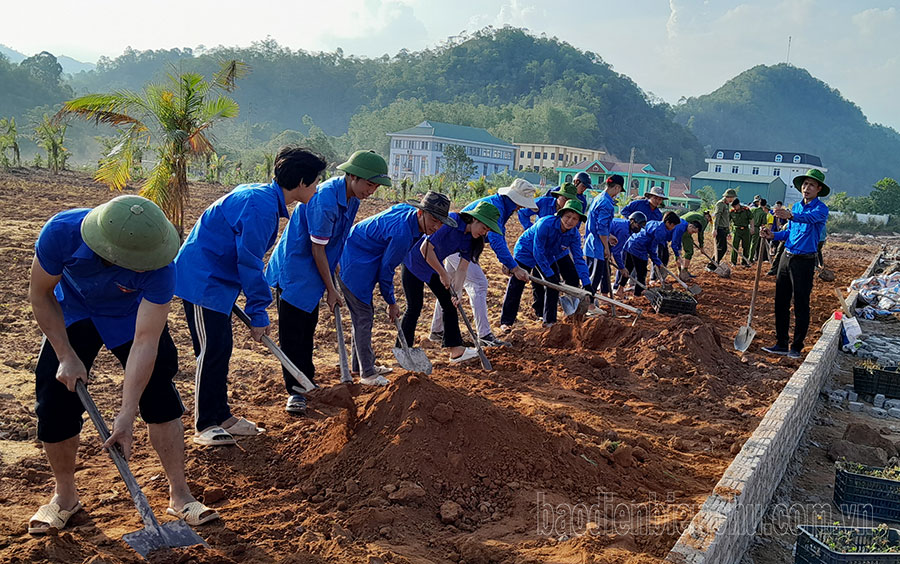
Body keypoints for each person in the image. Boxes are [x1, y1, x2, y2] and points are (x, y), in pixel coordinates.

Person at [27, 195, 219, 534]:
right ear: (111, 255)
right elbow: (40, 294)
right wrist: (65, 355)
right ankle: (65, 497)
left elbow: (146, 340)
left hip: (130, 317)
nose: (151, 265)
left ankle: (180, 494)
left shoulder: (161, 267)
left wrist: (126, 413)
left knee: (159, 393)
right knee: (54, 400)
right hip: (74, 312)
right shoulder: (61, 232)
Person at [176, 146, 327, 445]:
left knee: (222, 347)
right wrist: (258, 310)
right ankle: (205, 423)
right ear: (300, 182)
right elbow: (249, 262)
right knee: (211, 349)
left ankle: (223, 416)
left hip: (219, 281)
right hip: (202, 281)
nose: (317, 187)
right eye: (314, 181)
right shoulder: (259, 207)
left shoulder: (264, 200)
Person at [266, 150, 389, 415]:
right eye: (369, 184)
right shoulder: (325, 200)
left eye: (376, 186)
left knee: (307, 328)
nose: (372, 190)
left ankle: (306, 381)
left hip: (315, 270)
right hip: (296, 269)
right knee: (293, 333)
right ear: (352, 176)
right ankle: (295, 392)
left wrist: (335, 266)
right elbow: (317, 249)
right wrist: (333, 290)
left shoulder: (352, 198)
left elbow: (336, 239)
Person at [338, 191, 452, 384]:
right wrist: (391, 302)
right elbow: (386, 270)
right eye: (434, 220)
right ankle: (367, 374)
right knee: (363, 316)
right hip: (355, 262)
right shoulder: (402, 234)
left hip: (363, 254)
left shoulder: (408, 214)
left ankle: (360, 365)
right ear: (420, 213)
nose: (436, 227)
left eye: (441, 222)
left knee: (363, 316)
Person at [429, 179, 539, 348]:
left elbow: (498, 234)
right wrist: (514, 267)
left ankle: (437, 330)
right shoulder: (495, 207)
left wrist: (508, 263)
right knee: (479, 284)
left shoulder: (500, 205)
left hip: (459, 247)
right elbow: (496, 239)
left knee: (450, 286)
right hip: (458, 245)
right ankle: (485, 335)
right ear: (513, 198)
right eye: (520, 204)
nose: (521, 208)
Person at [400, 201, 502, 363]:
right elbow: (425, 248)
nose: (484, 233)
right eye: (484, 228)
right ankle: (403, 349)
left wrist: (458, 291)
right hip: (414, 262)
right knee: (414, 306)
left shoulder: (472, 241)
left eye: (487, 231)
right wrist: (443, 273)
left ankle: (456, 350)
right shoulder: (452, 221)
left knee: (450, 303)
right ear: (475, 220)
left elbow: (462, 269)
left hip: (433, 266)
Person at [760, 169, 830, 359]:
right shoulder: (796, 207)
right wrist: (772, 235)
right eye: (804, 184)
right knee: (780, 302)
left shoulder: (820, 210)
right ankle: (781, 343)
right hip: (786, 257)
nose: (806, 188)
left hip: (804, 261)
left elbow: (807, 219)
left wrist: (789, 215)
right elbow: (789, 232)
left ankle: (796, 347)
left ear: (818, 189)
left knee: (801, 304)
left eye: (811, 185)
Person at [500, 200, 593, 330]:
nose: (570, 221)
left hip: (548, 255)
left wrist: (587, 283)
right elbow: (537, 251)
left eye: (574, 219)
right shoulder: (545, 224)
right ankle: (506, 322)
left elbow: (578, 259)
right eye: (567, 216)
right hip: (526, 250)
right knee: (517, 284)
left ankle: (549, 321)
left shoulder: (574, 235)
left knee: (553, 285)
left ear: (578, 221)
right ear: (561, 215)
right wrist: (548, 274)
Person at [584, 174, 625, 302]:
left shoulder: (598, 198)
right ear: (617, 188)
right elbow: (601, 228)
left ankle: (587, 302)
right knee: (595, 278)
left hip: (591, 241)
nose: (618, 193)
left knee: (590, 275)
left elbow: (600, 225)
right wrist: (606, 247)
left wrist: (609, 236)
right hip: (597, 245)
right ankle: (588, 304)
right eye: (619, 190)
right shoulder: (606, 204)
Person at [621, 211, 681, 298]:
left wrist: (657, 261)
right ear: (668, 223)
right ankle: (637, 294)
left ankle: (620, 289)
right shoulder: (661, 232)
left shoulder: (655, 222)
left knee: (628, 268)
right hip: (639, 248)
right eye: (673, 225)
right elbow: (652, 249)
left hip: (632, 243)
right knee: (642, 273)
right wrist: (657, 262)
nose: (673, 228)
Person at [621, 185, 668, 272]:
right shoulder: (638, 204)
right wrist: (633, 221)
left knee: (640, 262)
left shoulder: (658, 214)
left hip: (644, 241)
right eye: (655, 198)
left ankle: (633, 282)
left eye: (660, 199)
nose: (657, 201)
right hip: (630, 235)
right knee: (626, 261)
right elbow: (624, 211)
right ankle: (620, 282)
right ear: (650, 196)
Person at [608, 212, 647, 293]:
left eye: (641, 227)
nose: (639, 228)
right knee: (602, 271)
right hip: (596, 246)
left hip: (605, 246)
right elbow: (617, 252)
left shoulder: (628, 228)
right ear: (632, 221)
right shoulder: (623, 230)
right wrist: (622, 268)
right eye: (638, 225)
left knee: (606, 271)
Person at [713, 189, 737, 263]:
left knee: (722, 248)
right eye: (733, 198)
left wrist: (728, 231)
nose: (733, 199)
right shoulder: (720, 204)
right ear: (729, 197)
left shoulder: (727, 205)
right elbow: (717, 217)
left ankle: (715, 263)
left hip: (724, 229)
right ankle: (712, 264)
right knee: (721, 248)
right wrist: (715, 229)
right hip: (720, 229)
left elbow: (726, 220)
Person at [729, 198, 752, 267]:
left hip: (745, 230)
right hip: (736, 230)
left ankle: (744, 262)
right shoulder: (732, 212)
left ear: (738, 204)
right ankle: (733, 262)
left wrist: (752, 228)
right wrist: (728, 231)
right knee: (735, 246)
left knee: (746, 246)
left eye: (735, 206)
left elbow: (751, 219)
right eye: (733, 207)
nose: (734, 208)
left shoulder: (746, 210)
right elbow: (728, 221)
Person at [767, 201, 788, 275]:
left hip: (787, 241)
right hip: (777, 235)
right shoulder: (772, 214)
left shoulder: (786, 221)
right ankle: (774, 269)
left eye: (779, 205)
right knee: (778, 252)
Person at [749, 199, 769, 263]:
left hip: (749, 227)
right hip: (756, 228)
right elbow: (763, 224)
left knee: (747, 244)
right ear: (765, 205)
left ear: (759, 203)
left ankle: (745, 258)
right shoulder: (763, 213)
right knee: (754, 244)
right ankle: (750, 258)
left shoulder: (752, 210)